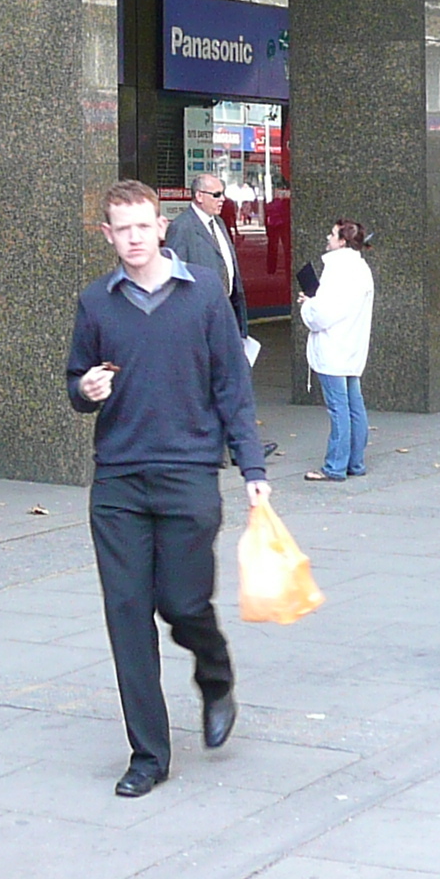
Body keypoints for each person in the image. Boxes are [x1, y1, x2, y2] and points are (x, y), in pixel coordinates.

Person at [67, 180, 271, 798]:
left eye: (142, 226)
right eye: (119, 229)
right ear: (107, 235)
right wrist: (86, 390)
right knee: (127, 612)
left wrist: (253, 471)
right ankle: (148, 755)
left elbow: (232, 386)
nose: (132, 238)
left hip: (188, 475)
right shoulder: (95, 303)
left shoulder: (203, 293)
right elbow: (76, 379)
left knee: (182, 604)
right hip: (120, 481)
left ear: (161, 227)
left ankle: (215, 674)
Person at [299, 219, 374, 482]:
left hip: (333, 346)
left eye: (331, 234)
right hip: (352, 345)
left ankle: (335, 466)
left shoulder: (337, 269)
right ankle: (355, 462)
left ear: (342, 241)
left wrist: (309, 305)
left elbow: (323, 314)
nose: (327, 238)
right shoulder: (361, 267)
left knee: (338, 408)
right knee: (354, 405)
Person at [163, 171, 249, 331]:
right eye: (216, 195)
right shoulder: (181, 227)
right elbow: (173, 279)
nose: (222, 199)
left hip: (227, 311)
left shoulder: (219, 223)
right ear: (199, 196)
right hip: (199, 318)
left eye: (223, 194)